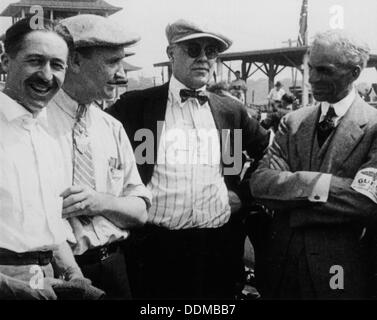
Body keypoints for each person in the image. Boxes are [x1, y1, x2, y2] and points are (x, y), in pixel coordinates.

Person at [108, 18, 269, 299]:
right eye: (194, 49)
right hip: (156, 248)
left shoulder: (231, 110)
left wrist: (243, 193)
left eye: (212, 52)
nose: (204, 59)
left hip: (218, 247)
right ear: (171, 54)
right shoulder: (136, 106)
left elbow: (270, 151)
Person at [249, 30, 377, 299]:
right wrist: (320, 189)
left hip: (340, 270)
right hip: (281, 266)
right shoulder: (293, 122)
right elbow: (260, 183)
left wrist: (291, 190)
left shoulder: (373, 127)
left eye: (324, 70)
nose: (312, 79)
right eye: (310, 68)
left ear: (354, 73)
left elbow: (365, 201)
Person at [46, 14, 152, 299]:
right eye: (112, 62)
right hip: (57, 273)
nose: (123, 74)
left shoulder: (112, 128)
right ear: (75, 61)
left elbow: (141, 211)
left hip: (114, 267)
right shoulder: (35, 123)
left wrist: (99, 201)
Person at [0, 17, 95, 300]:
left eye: (57, 65)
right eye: (34, 61)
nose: (46, 75)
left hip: (47, 279)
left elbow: (48, 226)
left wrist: (74, 273)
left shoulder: (49, 134)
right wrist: (14, 288)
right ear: (5, 62)